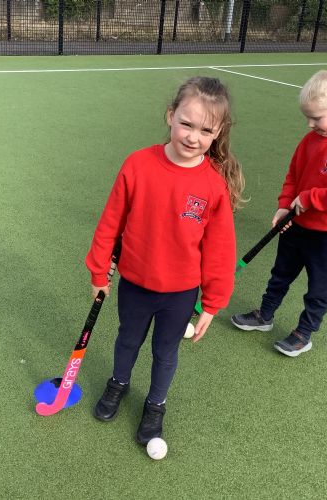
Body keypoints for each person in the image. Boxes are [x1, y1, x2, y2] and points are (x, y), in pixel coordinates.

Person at [85, 76, 245, 445]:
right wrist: (99, 272)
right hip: (135, 284)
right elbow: (111, 222)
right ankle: (118, 383)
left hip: (180, 293)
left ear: (218, 133)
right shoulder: (138, 164)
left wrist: (213, 303)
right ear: (170, 115)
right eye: (186, 124)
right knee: (128, 339)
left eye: (206, 131)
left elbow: (220, 249)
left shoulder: (213, 185)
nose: (193, 137)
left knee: (165, 352)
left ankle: (156, 405)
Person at [231, 70, 327, 357]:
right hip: (296, 225)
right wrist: (284, 204)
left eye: (316, 118)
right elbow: (293, 176)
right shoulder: (309, 140)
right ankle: (265, 315)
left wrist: (310, 198)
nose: (310, 124)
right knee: (280, 274)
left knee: (319, 288)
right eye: (307, 117)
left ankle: (304, 332)